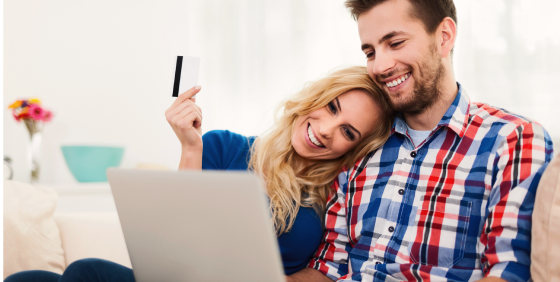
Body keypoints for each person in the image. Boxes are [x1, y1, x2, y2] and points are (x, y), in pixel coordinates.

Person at [4, 66, 394, 282]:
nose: (327, 128)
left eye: (347, 131)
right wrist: (191, 148)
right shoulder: (225, 146)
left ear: (352, 148)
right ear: (314, 98)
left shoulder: (337, 193)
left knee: (84, 272)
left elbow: (326, 272)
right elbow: (167, 238)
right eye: (331, 107)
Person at [287, 0, 555, 282]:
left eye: (395, 43)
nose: (379, 66)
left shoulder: (513, 140)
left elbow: (509, 273)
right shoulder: (362, 142)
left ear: (444, 36)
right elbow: (328, 268)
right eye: (370, 52)